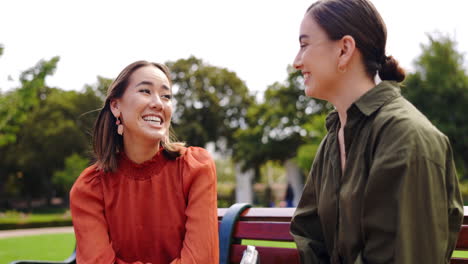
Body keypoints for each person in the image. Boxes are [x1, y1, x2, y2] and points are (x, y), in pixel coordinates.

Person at [289, 0, 464, 263]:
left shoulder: (406, 137)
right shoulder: (333, 140)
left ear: (345, 49)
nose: (296, 62)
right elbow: (309, 237)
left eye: (304, 45)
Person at [70, 61, 219, 264]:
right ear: (116, 105)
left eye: (166, 96)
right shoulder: (89, 188)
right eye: (146, 91)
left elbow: (202, 260)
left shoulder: (195, 167)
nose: (159, 103)